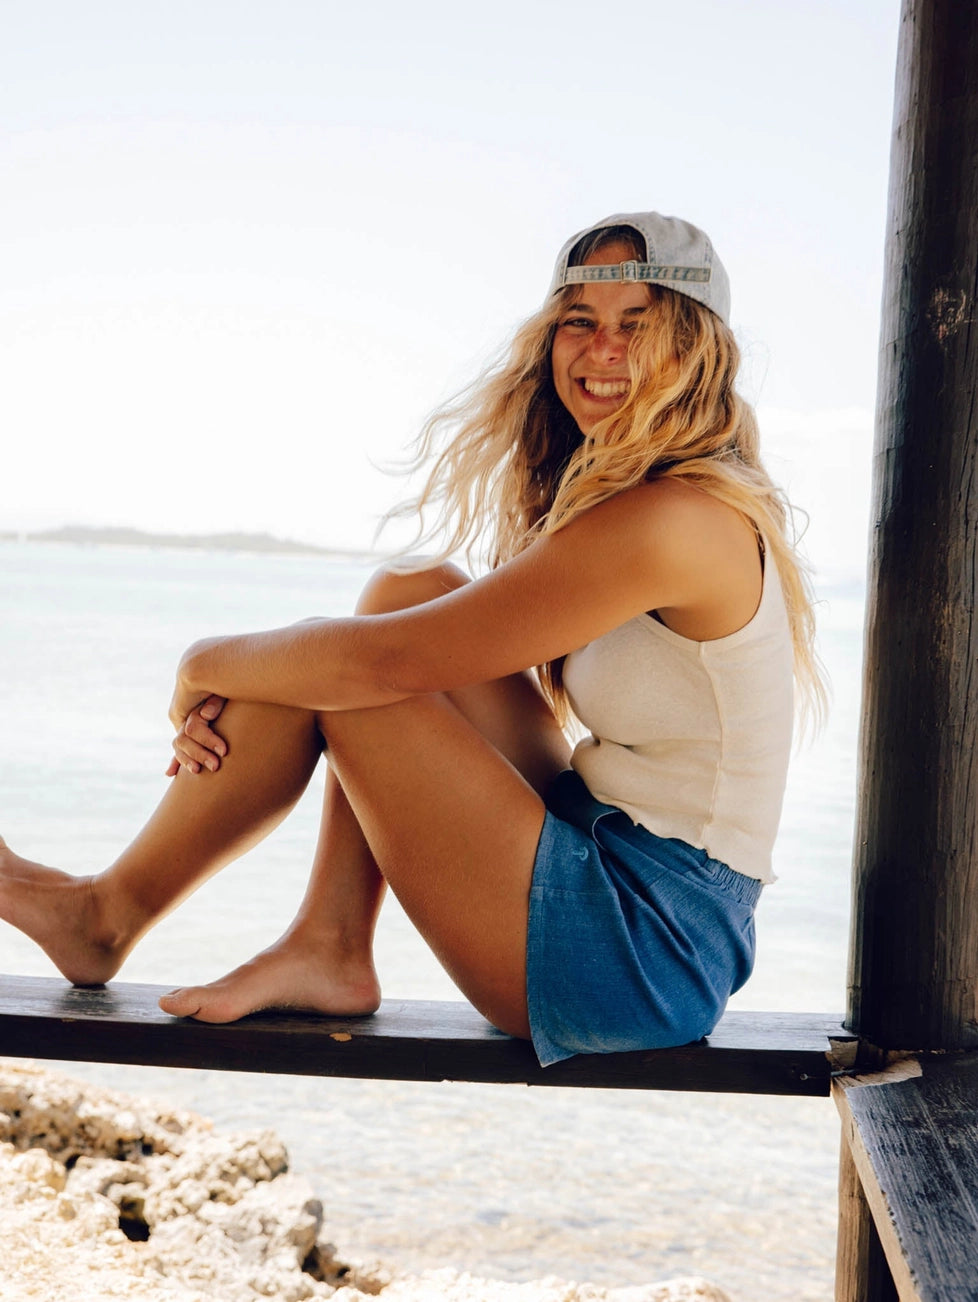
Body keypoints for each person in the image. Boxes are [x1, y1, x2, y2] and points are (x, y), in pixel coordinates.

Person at [0, 212, 821, 1066]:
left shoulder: (678, 518)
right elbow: (401, 641)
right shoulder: (642, 499)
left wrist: (199, 664)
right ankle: (326, 939)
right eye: (580, 322)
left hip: (646, 949)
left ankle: (110, 918)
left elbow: (386, 663)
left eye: (638, 326)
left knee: (358, 674)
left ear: (697, 349)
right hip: (606, 843)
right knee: (408, 592)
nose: (602, 350)